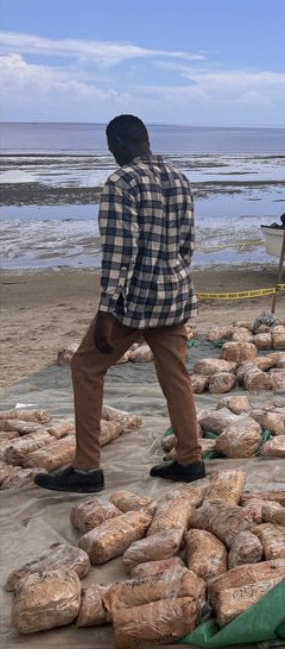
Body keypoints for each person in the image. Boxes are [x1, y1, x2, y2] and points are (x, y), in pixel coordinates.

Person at [35, 115, 205, 493]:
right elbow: (187, 243)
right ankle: (190, 459)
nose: (111, 154)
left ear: (121, 142)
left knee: (85, 366)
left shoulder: (121, 181)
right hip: (175, 293)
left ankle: (86, 469)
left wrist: (104, 311)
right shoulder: (179, 177)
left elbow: (120, 251)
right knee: (175, 375)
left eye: (112, 146)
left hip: (134, 300)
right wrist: (172, 276)